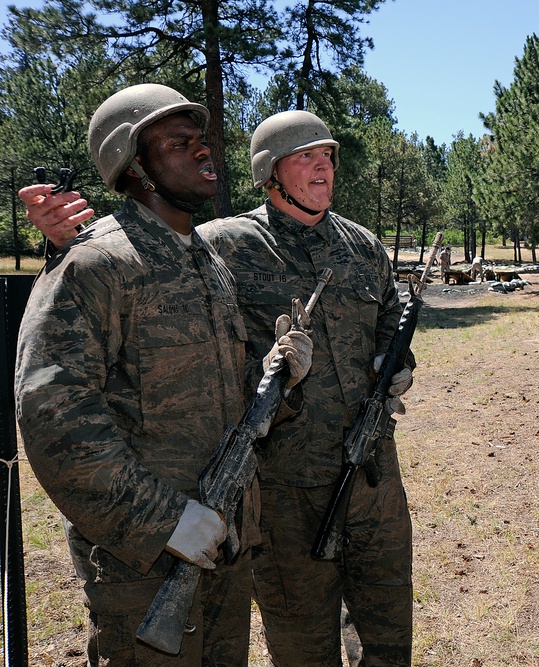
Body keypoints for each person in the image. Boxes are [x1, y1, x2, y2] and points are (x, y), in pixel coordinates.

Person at [26, 109, 415, 666]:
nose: (322, 165)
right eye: (305, 156)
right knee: (305, 644)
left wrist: (395, 361)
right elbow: (127, 274)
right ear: (269, 172)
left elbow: (388, 318)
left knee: (386, 632)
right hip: (276, 489)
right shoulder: (221, 245)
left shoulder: (351, 246)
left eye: (327, 153)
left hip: (359, 480)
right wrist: (66, 242)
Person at [15, 84, 312, 666]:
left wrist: (280, 383)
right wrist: (165, 520)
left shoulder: (208, 262)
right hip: (144, 562)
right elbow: (56, 420)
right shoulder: (95, 265)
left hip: (225, 545)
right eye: (179, 142)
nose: (204, 152)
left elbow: (225, 397)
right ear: (137, 166)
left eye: (202, 139)